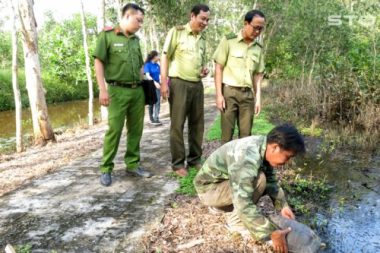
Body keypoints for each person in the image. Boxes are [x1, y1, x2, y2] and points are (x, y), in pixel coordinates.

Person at [194, 124, 306, 253]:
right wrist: (270, 233)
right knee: (259, 180)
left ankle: (221, 206)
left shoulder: (263, 146)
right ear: (275, 147)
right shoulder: (247, 157)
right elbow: (243, 202)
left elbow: (271, 181)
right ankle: (235, 222)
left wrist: (282, 205)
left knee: (263, 179)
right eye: (287, 157)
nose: (287, 162)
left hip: (221, 184)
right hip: (209, 190)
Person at [93, 3, 153, 187]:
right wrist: (102, 89)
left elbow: (140, 66)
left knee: (136, 130)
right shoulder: (107, 35)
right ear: (127, 16)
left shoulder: (135, 40)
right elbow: (99, 62)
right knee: (115, 130)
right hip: (117, 91)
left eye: (142, 22)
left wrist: (147, 83)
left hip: (137, 91)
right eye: (139, 20)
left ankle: (133, 164)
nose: (140, 24)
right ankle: (106, 168)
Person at [160, 4, 211, 177]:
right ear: (192, 16)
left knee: (198, 124)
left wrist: (204, 70)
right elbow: (165, 56)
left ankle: (195, 159)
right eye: (202, 19)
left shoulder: (203, 38)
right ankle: (177, 163)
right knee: (177, 125)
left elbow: (201, 63)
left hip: (197, 85)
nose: (205, 23)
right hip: (178, 84)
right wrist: (164, 83)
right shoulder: (177, 32)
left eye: (207, 20)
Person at [213, 10, 266, 144]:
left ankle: (241, 164)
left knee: (246, 136)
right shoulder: (229, 41)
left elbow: (258, 75)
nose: (258, 32)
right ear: (246, 23)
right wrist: (219, 95)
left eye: (261, 29)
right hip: (229, 93)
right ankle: (224, 164)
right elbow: (218, 68)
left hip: (247, 96)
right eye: (255, 27)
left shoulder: (258, 48)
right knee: (227, 134)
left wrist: (258, 99)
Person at [144, 50, 162, 125]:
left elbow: (160, 74)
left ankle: (156, 118)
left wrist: (160, 82)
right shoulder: (147, 65)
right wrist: (155, 83)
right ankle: (151, 118)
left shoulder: (158, 65)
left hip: (158, 85)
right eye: (158, 55)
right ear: (154, 56)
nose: (159, 57)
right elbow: (147, 75)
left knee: (158, 102)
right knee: (151, 102)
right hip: (151, 85)